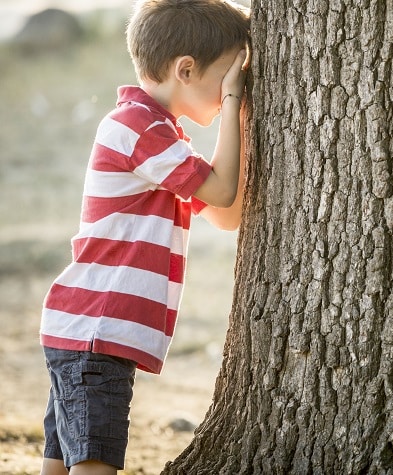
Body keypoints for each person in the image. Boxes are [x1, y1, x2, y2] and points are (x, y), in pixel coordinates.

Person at [38, 1, 250, 473]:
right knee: (93, 462)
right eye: (229, 75)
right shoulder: (139, 128)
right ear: (187, 69)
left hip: (88, 330)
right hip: (97, 330)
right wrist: (235, 106)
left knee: (64, 458)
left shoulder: (161, 136)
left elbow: (225, 213)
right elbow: (222, 189)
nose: (231, 89)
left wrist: (243, 116)